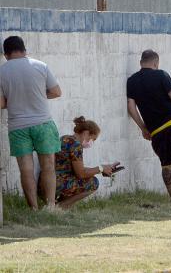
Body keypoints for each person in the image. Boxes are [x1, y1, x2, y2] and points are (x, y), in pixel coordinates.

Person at [126, 50, 171, 207]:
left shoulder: (132, 81)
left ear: (141, 62)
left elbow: (131, 107)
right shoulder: (161, 74)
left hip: (155, 129)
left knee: (166, 164)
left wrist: (143, 128)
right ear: (155, 63)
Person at [0, 36, 62, 210]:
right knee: (48, 165)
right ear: (24, 50)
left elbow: (1, 103)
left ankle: (33, 208)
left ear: (6, 54)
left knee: (26, 169)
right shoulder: (40, 65)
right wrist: (40, 96)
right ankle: (50, 205)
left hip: (17, 126)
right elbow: (56, 92)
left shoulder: (2, 72)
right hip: (43, 123)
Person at [52, 116, 120, 209]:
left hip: (49, 182)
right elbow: (81, 174)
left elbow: (76, 169)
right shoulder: (76, 145)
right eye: (93, 139)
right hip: (58, 184)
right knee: (93, 182)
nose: (92, 142)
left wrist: (102, 169)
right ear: (86, 133)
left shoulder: (65, 138)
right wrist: (101, 168)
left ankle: (55, 205)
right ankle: (61, 207)